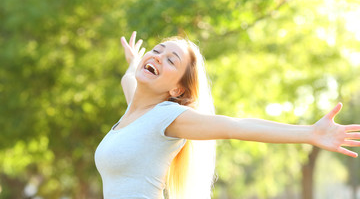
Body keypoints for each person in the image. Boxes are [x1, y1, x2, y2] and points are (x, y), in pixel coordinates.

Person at [94, 31, 360, 199]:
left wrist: (310, 133)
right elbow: (128, 80)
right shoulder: (135, 110)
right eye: (157, 50)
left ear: (177, 88)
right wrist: (133, 62)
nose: (158, 57)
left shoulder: (168, 117)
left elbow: (238, 126)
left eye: (171, 60)